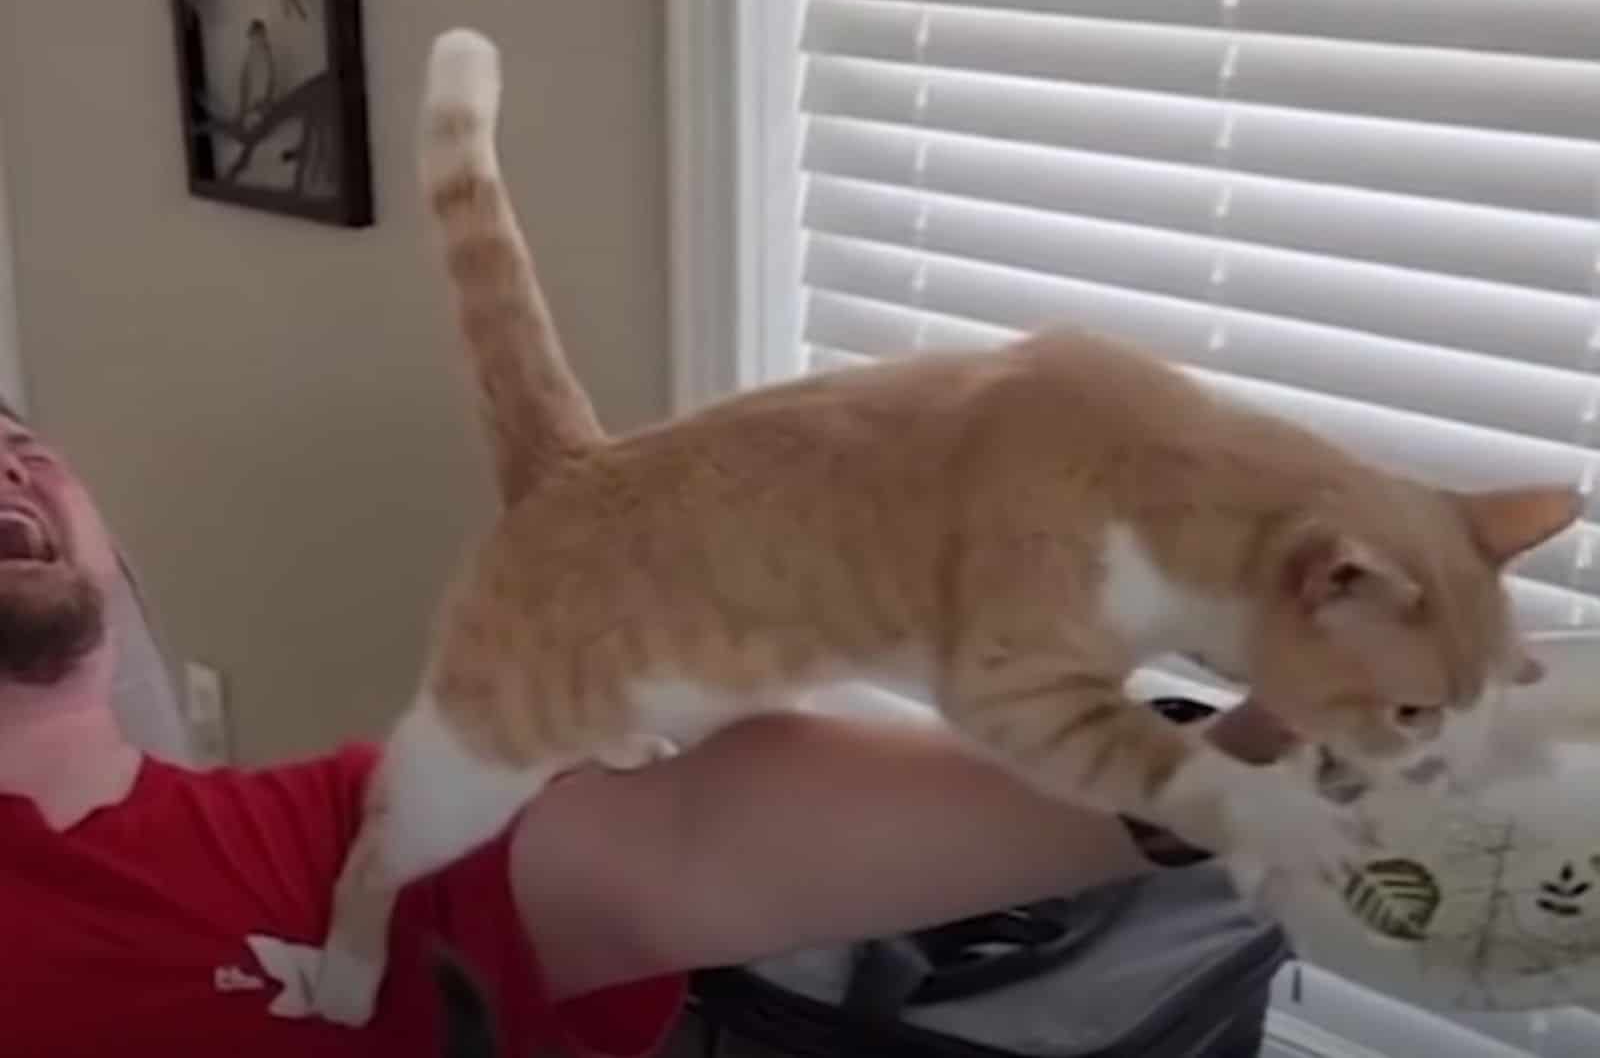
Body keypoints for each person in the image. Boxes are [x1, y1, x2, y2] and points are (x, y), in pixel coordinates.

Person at [0, 404, 1288, 1056]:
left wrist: (1244, 762)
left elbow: (697, 841)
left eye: (23, 442)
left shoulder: (341, 837)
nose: (6, 466)